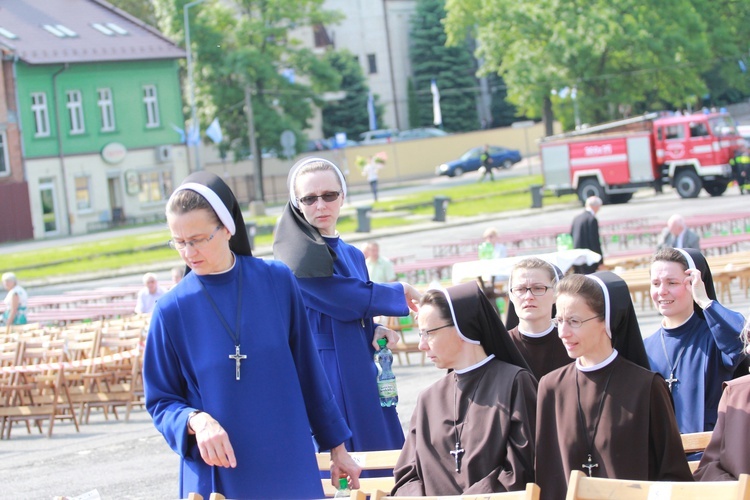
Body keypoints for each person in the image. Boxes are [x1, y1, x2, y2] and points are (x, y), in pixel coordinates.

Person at [143, 171, 361, 499]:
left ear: (228, 228)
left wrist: (337, 448)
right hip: (220, 472)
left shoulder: (277, 281)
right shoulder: (171, 310)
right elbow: (161, 400)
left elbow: (309, 373)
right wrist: (195, 421)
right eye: (179, 242)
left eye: (198, 239)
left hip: (288, 464)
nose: (188, 253)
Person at [273, 157, 421, 455]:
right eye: (309, 198)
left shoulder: (352, 253)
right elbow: (342, 300)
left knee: (377, 444)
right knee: (343, 453)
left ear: (343, 197)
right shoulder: (296, 258)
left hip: (359, 361)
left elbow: (353, 314)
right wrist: (399, 291)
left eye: (329, 195)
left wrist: (373, 328)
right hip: (323, 366)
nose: (320, 205)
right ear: (297, 203)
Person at [535, 272, 693, 500]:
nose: (563, 333)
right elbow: (547, 478)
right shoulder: (550, 387)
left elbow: (673, 475)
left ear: (606, 320)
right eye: (558, 321)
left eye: (574, 321)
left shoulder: (646, 387)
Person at [392, 282, 537, 495]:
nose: (422, 345)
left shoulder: (515, 383)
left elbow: (520, 470)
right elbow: (407, 475)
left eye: (428, 333)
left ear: (462, 327)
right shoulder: (428, 399)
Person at [644, 248, 746, 434]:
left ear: (694, 284)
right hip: (665, 458)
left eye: (672, 282)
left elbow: (742, 339)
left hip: (711, 454)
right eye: (656, 283)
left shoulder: (715, 337)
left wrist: (705, 301)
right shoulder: (646, 347)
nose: (662, 291)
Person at [505, 258, 571, 380]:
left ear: (556, 294)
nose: (529, 296)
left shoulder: (571, 342)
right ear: (511, 296)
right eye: (520, 289)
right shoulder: (501, 347)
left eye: (538, 288)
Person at [570, 196, 603, 274]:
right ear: (596, 206)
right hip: (589, 259)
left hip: (577, 257)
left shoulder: (577, 218)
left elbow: (571, 234)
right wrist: (600, 260)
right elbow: (594, 241)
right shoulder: (592, 219)